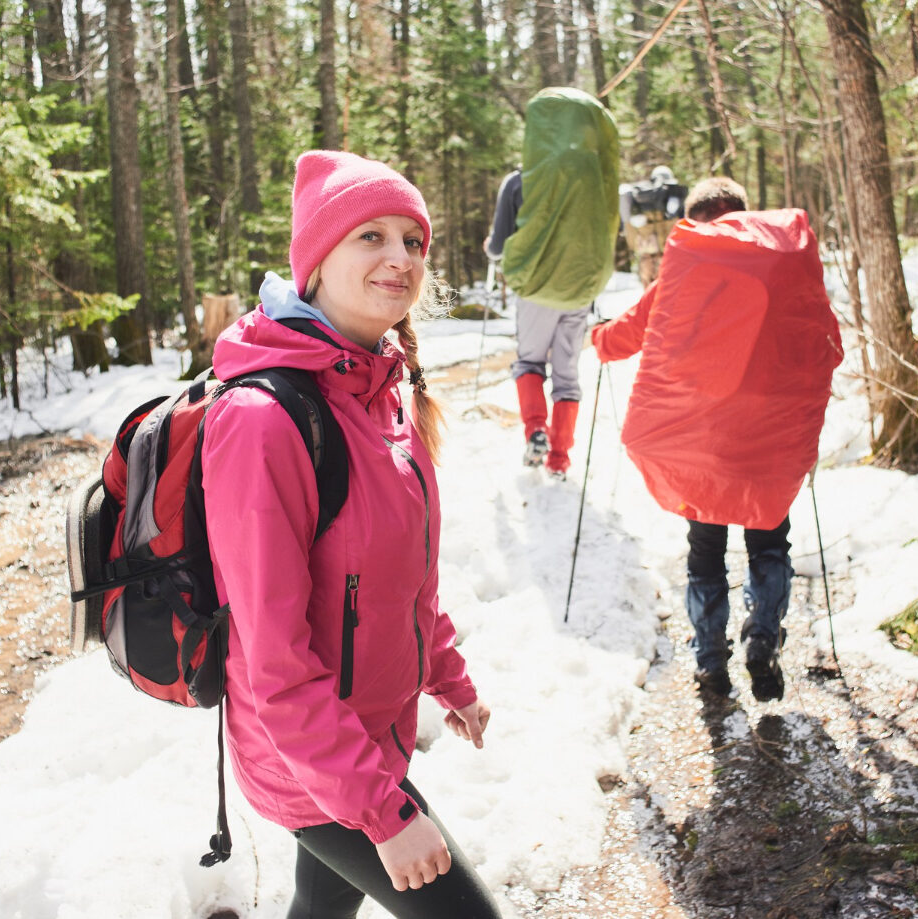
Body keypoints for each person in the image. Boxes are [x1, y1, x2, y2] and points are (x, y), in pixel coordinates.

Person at [202, 150, 502, 919]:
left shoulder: (383, 392)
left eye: (414, 239)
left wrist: (449, 677)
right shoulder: (264, 420)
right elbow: (273, 660)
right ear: (316, 262)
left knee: (323, 912)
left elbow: (401, 578)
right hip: (318, 765)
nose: (399, 257)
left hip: (370, 739)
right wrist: (385, 813)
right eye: (370, 235)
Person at [591, 177, 844, 703]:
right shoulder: (784, 274)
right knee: (769, 543)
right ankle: (763, 639)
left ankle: (710, 661)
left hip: (701, 443)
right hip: (769, 441)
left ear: (698, 221)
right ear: (743, 216)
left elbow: (623, 339)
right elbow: (828, 343)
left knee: (705, 551)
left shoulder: (684, 275)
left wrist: (594, 335)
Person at [484, 87, 620, 479]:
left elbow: (498, 247)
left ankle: (535, 432)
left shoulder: (520, 181)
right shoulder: (593, 182)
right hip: (579, 290)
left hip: (537, 290)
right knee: (567, 375)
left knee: (529, 361)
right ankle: (560, 458)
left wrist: (495, 249)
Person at [619, 165, 687, 287]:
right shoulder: (674, 195)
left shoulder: (642, 197)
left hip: (646, 256)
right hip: (669, 257)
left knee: (649, 295)